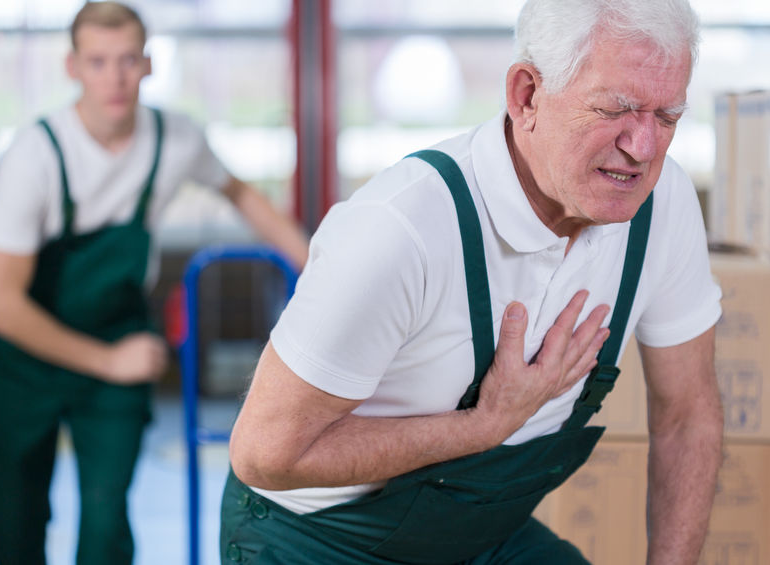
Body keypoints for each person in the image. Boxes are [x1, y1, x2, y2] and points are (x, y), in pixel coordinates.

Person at [223, 0, 724, 563]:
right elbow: (264, 454)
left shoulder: (664, 203)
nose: (643, 149)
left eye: (667, 117)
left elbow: (687, 412)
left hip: (480, 534)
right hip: (317, 538)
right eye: (615, 110)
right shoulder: (399, 230)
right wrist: (484, 425)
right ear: (526, 96)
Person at [0, 2, 309, 564]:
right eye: (98, 61)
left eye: (128, 60)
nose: (114, 77)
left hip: (119, 337)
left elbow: (241, 194)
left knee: (106, 519)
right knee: (15, 518)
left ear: (148, 65)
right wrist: (105, 361)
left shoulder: (175, 139)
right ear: (72, 67)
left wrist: (319, 266)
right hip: (21, 359)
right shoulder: (34, 155)